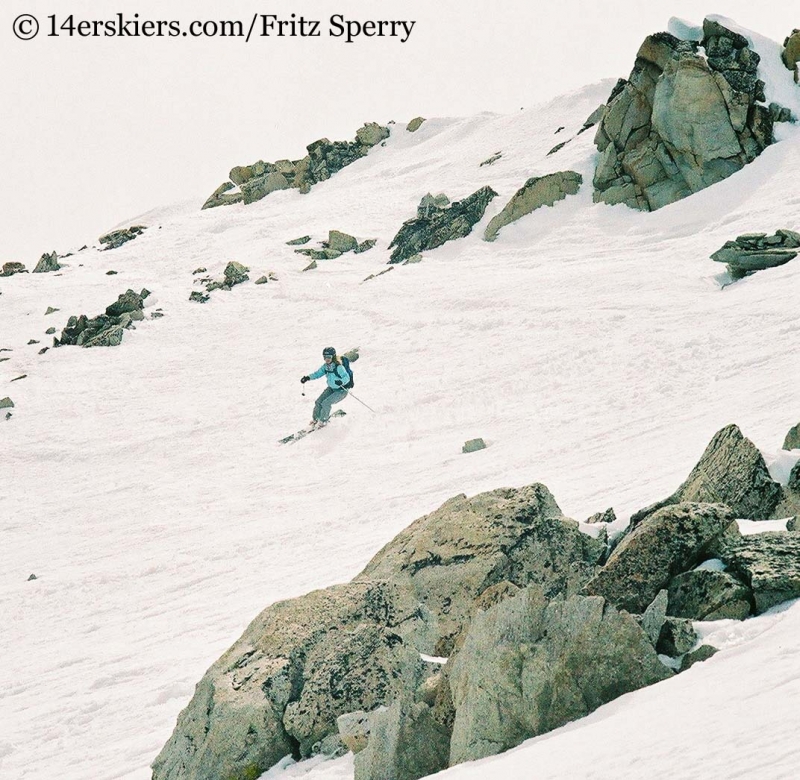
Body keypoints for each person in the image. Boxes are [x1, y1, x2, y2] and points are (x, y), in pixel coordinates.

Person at [300, 347, 349, 427]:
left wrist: (341, 382)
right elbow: (317, 374)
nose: (327, 359)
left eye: (329, 357)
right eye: (325, 357)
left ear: (333, 356)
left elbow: (346, 377)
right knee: (318, 402)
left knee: (326, 403)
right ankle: (315, 420)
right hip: (331, 389)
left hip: (341, 391)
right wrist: (307, 378)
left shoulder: (339, 367)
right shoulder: (325, 366)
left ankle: (323, 421)